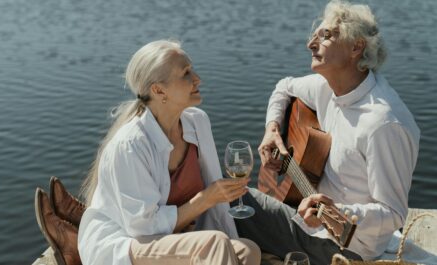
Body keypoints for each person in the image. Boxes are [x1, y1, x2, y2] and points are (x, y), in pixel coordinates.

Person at [233, 1, 420, 264]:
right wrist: (272, 129)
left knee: (231, 198)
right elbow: (283, 87)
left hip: (347, 246)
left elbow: (393, 214)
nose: (311, 44)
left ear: (356, 47)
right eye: (314, 36)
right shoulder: (328, 87)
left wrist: (335, 211)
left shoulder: (383, 124)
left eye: (326, 36)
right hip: (311, 218)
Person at [75, 40, 261, 265]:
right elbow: (142, 228)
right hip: (127, 244)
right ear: (158, 90)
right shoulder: (130, 145)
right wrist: (205, 199)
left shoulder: (197, 122)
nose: (197, 78)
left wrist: (215, 202)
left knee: (248, 250)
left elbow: (212, 200)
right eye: (186, 73)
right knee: (214, 243)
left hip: (174, 238)